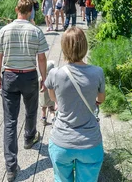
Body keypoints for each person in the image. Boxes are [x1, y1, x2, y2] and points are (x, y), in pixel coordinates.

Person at [0, 0, 49, 182]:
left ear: (16, 8)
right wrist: (44, 78)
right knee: (31, 110)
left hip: (9, 75)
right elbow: (41, 58)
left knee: (10, 121)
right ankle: (29, 137)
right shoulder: (35, 31)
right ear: (31, 11)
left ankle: (10, 167)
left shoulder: (4, 30)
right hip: (29, 75)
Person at [45, 27, 105, 182]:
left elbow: (53, 99)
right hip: (90, 144)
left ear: (64, 48)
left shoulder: (55, 74)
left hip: (62, 142)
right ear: (84, 47)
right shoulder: (97, 72)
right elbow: (101, 98)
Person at [41, 60, 57, 125]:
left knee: (43, 109)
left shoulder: (41, 78)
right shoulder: (54, 79)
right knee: (51, 110)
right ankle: (53, 120)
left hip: (43, 97)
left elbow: (39, 88)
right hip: (51, 97)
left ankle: (43, 119)